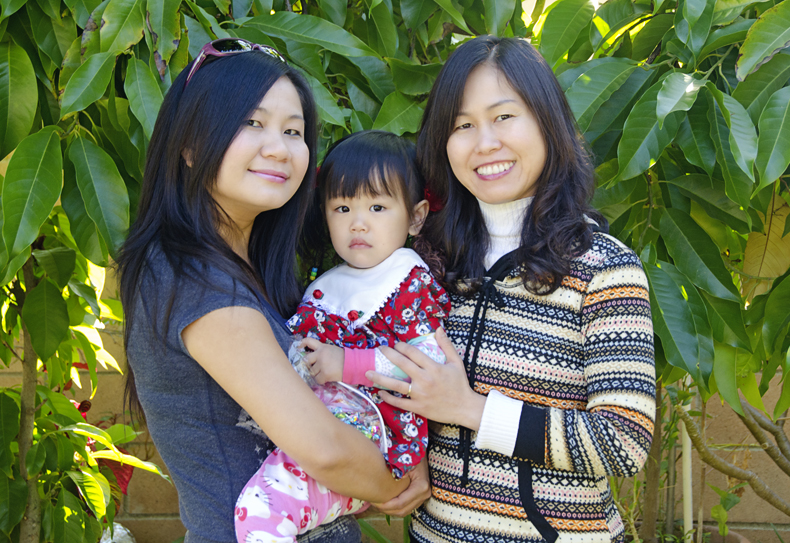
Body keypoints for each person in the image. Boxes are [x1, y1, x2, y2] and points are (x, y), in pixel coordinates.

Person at [118, 39, 417, 543]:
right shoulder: (190, 276)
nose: (278, 147)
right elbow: (326, 451)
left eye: (293, 131)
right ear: (190, 146)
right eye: (252, 123)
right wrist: (401, 480)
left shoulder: (243, 271)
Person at [365, 36, 657, 543]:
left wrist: (470, 410)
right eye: (463, 124)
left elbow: (623, 442)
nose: (484, 143)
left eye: (504, 117)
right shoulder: (428, 267)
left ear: (548, 122)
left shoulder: (604, 270)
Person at [235, 130, 450, 542]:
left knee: (260, 514)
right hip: (318, 428)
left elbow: (430, 364)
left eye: (377, 206)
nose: (358, 222)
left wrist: (346, 364)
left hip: (371, 437)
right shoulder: (329, 283)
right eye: (342, 206)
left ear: (417, 216)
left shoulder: (407, 280)